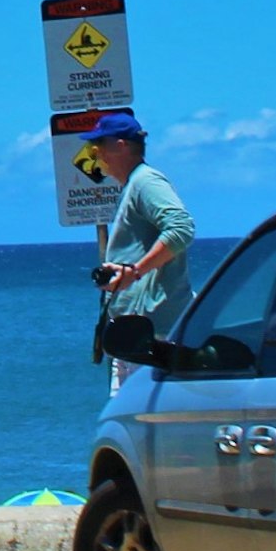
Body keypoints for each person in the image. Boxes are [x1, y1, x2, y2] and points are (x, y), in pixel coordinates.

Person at [86, 112, 194, 381]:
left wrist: (134, 271)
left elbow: (181, 228)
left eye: (99, 143)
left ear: (121, 146)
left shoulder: (146, 182)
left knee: (136, 421)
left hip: (154, 337)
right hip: (137, 337)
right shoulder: (132, 186)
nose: (95, 151)